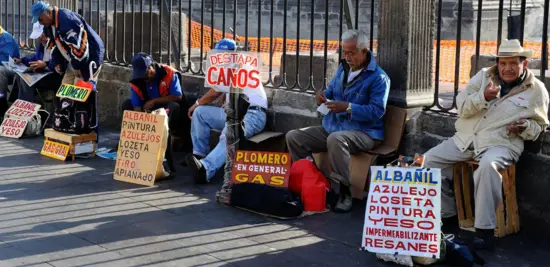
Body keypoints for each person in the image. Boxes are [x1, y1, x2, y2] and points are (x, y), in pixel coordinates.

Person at [422, 39, 549, 250]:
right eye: (503, 63)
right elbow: (461, 107)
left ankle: (484, 231)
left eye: (513, 63)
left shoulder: (537, 90)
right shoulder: (483, 76)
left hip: (501, 143)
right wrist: (483, 96)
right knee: (427, 162)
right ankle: (448, 213)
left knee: (487, 167)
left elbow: (539, 127)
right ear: (497, 64)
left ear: (524, 64)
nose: (507, 68)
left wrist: (525, 126)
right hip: (466, 138)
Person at [285, 29, 390, 213]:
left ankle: (344, 192)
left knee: (336, 139)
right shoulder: (343, 68)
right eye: (345, 52)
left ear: (364, 51)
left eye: (352, 53)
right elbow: (331, 90)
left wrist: (348, 107)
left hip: (365, 132)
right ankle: (312, 181)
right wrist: (322, 95)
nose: (348, 57)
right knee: (294, 136)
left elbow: (377, 111)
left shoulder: (379, 78)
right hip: (335, 126)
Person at [186, 38, 268, 184]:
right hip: (234, 112)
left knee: (228, 133)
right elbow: (223, 91)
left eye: (223, 54)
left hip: (253, 114)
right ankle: (199, 156)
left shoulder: (239, 66)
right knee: (201, 114)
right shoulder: (229, 69)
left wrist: (196, 104)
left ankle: (206, 169)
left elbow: (214, 92)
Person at [123, 52, 183, 171]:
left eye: (145, 74)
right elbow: (136, 107)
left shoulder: (169, 73)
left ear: (151, 67)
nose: (144, 78)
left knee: (173, 106)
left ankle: (166, 153)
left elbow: (177, 96)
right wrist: (140, 121)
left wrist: (154, 101)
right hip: (148, 110)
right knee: (126, 105)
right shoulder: (137, 81)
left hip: (166, 109)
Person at [30, 1, 105, 85]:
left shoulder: (67, 20)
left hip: (89, 57)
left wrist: (77, 66)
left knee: (79, 91)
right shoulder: (49, 25)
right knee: (64, 93)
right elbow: (55, 45)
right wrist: (58, 63)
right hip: (74, 60)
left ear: (49, 12)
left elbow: (80, 47)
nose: (40, 23)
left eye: (41, 19)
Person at [12, 22, 63, 103]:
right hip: (44, 73)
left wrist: (45, 64)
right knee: (20, 76)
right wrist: (22, 60)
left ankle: (26, 103)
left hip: (55, 75)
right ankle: (19, 102)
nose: (41, 38)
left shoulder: (55, 44)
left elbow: (59, 63)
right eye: (39, 36)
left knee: (27, 79)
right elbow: (34, 60)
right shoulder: (41, 46)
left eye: (42, 35)